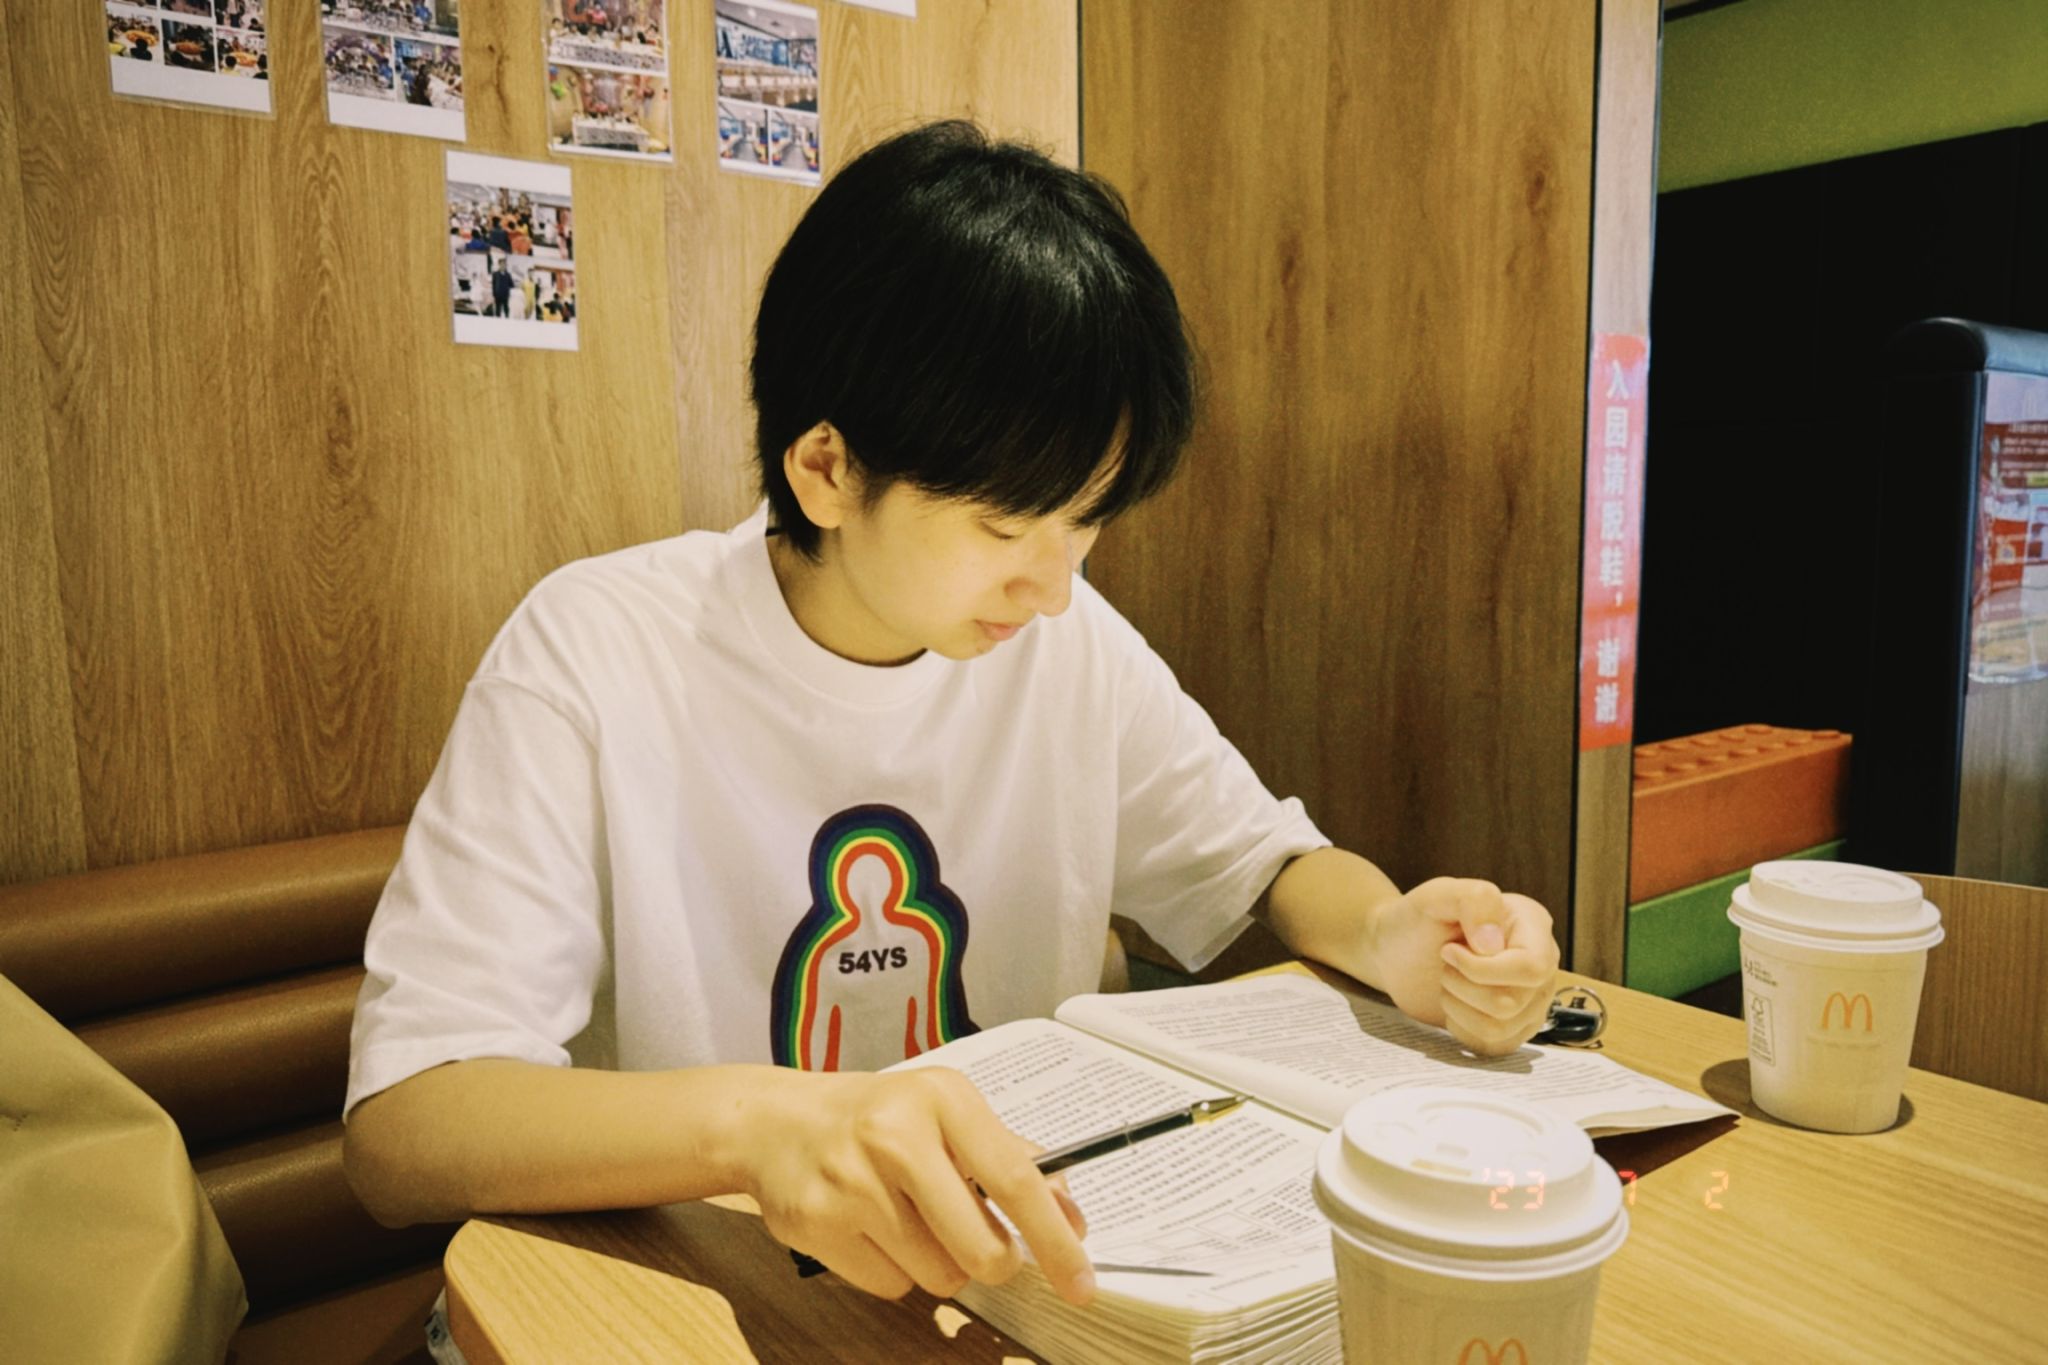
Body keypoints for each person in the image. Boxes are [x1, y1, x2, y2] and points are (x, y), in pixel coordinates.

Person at [342, 120, 1558, 1311]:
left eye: (1084, 520)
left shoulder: (1062, 645)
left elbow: (1266, 866)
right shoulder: (595, 651)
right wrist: (760, 1128)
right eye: (1004, 525)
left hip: (990, 1298)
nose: (1055, 585)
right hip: (691, 1307)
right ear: (826, 470)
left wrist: (1391, 932)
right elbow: (406, 1128)